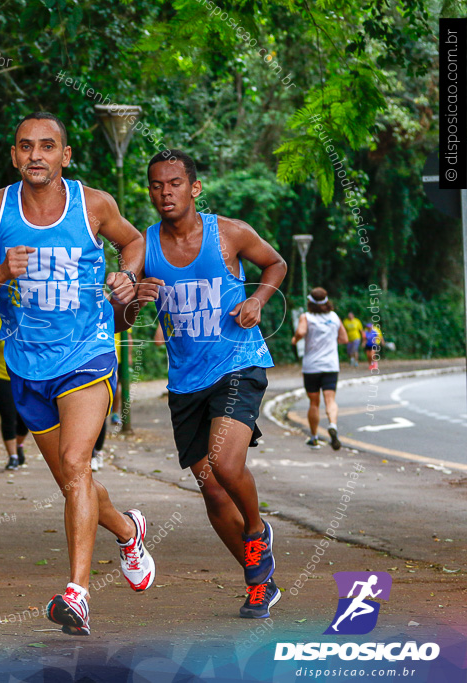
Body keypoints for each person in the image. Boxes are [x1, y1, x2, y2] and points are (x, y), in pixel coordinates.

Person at [0, 111, 155, 636]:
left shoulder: (92, 204)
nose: (36, 155)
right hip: (25, 365)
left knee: (75, 461)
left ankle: (78, 593)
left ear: (65, 156)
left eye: (47, 146)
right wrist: (1, 272)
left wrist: (126, 274)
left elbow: (136, 242)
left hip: (87, 353)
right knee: (75, 481)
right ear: (15, 154)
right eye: (26, 147)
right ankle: (128, 529)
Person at [139, 149, 287, 619]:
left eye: (176, 183)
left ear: (194, 188)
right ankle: (259, 581)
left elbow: (276, 264)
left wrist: (259, 299)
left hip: (237, 363)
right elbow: (123, 320)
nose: (166, 192)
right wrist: (132, 300)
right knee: (212, 490)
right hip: (185, 382)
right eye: (158, 185)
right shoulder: (144, 248)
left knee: (226, 464)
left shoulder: (228, 233)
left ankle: (258, 532)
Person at [291, 287, 347, 451]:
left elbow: (301, 332)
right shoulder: (334, 317)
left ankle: (314, 438)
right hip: (330, 365)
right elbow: (344, 339)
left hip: (312, 367)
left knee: (314, 403)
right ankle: (333, 425)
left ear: (311, 302)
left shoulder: (306, 317)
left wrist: (295, 339)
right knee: (330, 400)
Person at [0, 319, 30, 470]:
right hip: (0, 378)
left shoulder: (27, 321)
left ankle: (18, 444)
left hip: (24, 377)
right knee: (8, 416)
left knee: (25, 418)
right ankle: (13, 456)